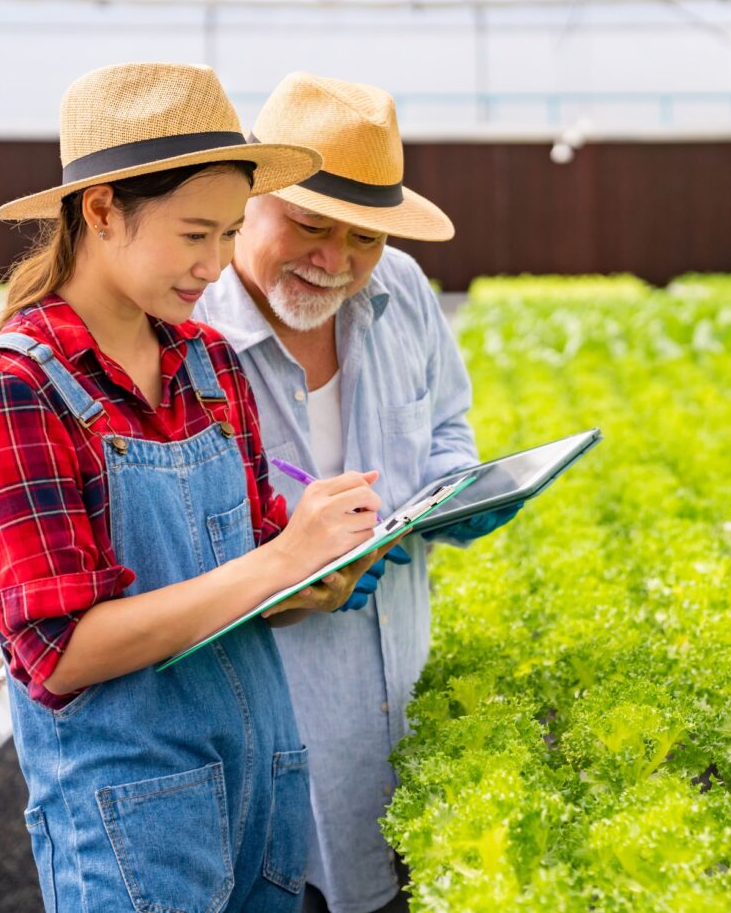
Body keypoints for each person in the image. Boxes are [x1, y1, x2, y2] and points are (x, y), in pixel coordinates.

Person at [0, 62, 386, 912]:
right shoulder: (17, 388)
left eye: (228, 234)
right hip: (132, 822)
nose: (217, 266)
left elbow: (249, 568)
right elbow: (60, 653)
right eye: (194, 235)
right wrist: (276, 562)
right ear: (103, 210)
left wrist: (312, 577)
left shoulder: (207, 363)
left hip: (263, 784)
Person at [195, 72, 519, 913]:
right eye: (307, 225)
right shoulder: (186, 339)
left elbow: (447, 423)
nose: (334, 262)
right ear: (249, 200)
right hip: (265, 734)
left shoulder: (402, 290)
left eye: (363, 238)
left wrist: (459, 498)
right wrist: (286, 574)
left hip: (394, 704)